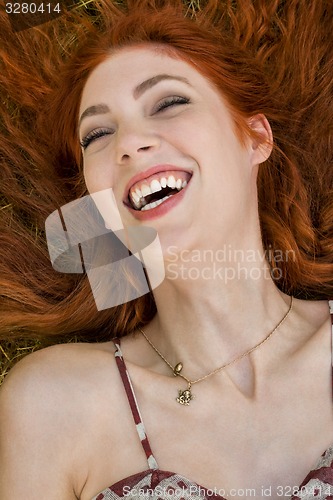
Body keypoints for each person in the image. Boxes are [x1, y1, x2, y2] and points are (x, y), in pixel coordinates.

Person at [0, 1, 332, 499]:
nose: (129, 143)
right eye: (98, 134)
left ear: (255, 137)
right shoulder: (54, 402)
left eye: (169, 103)